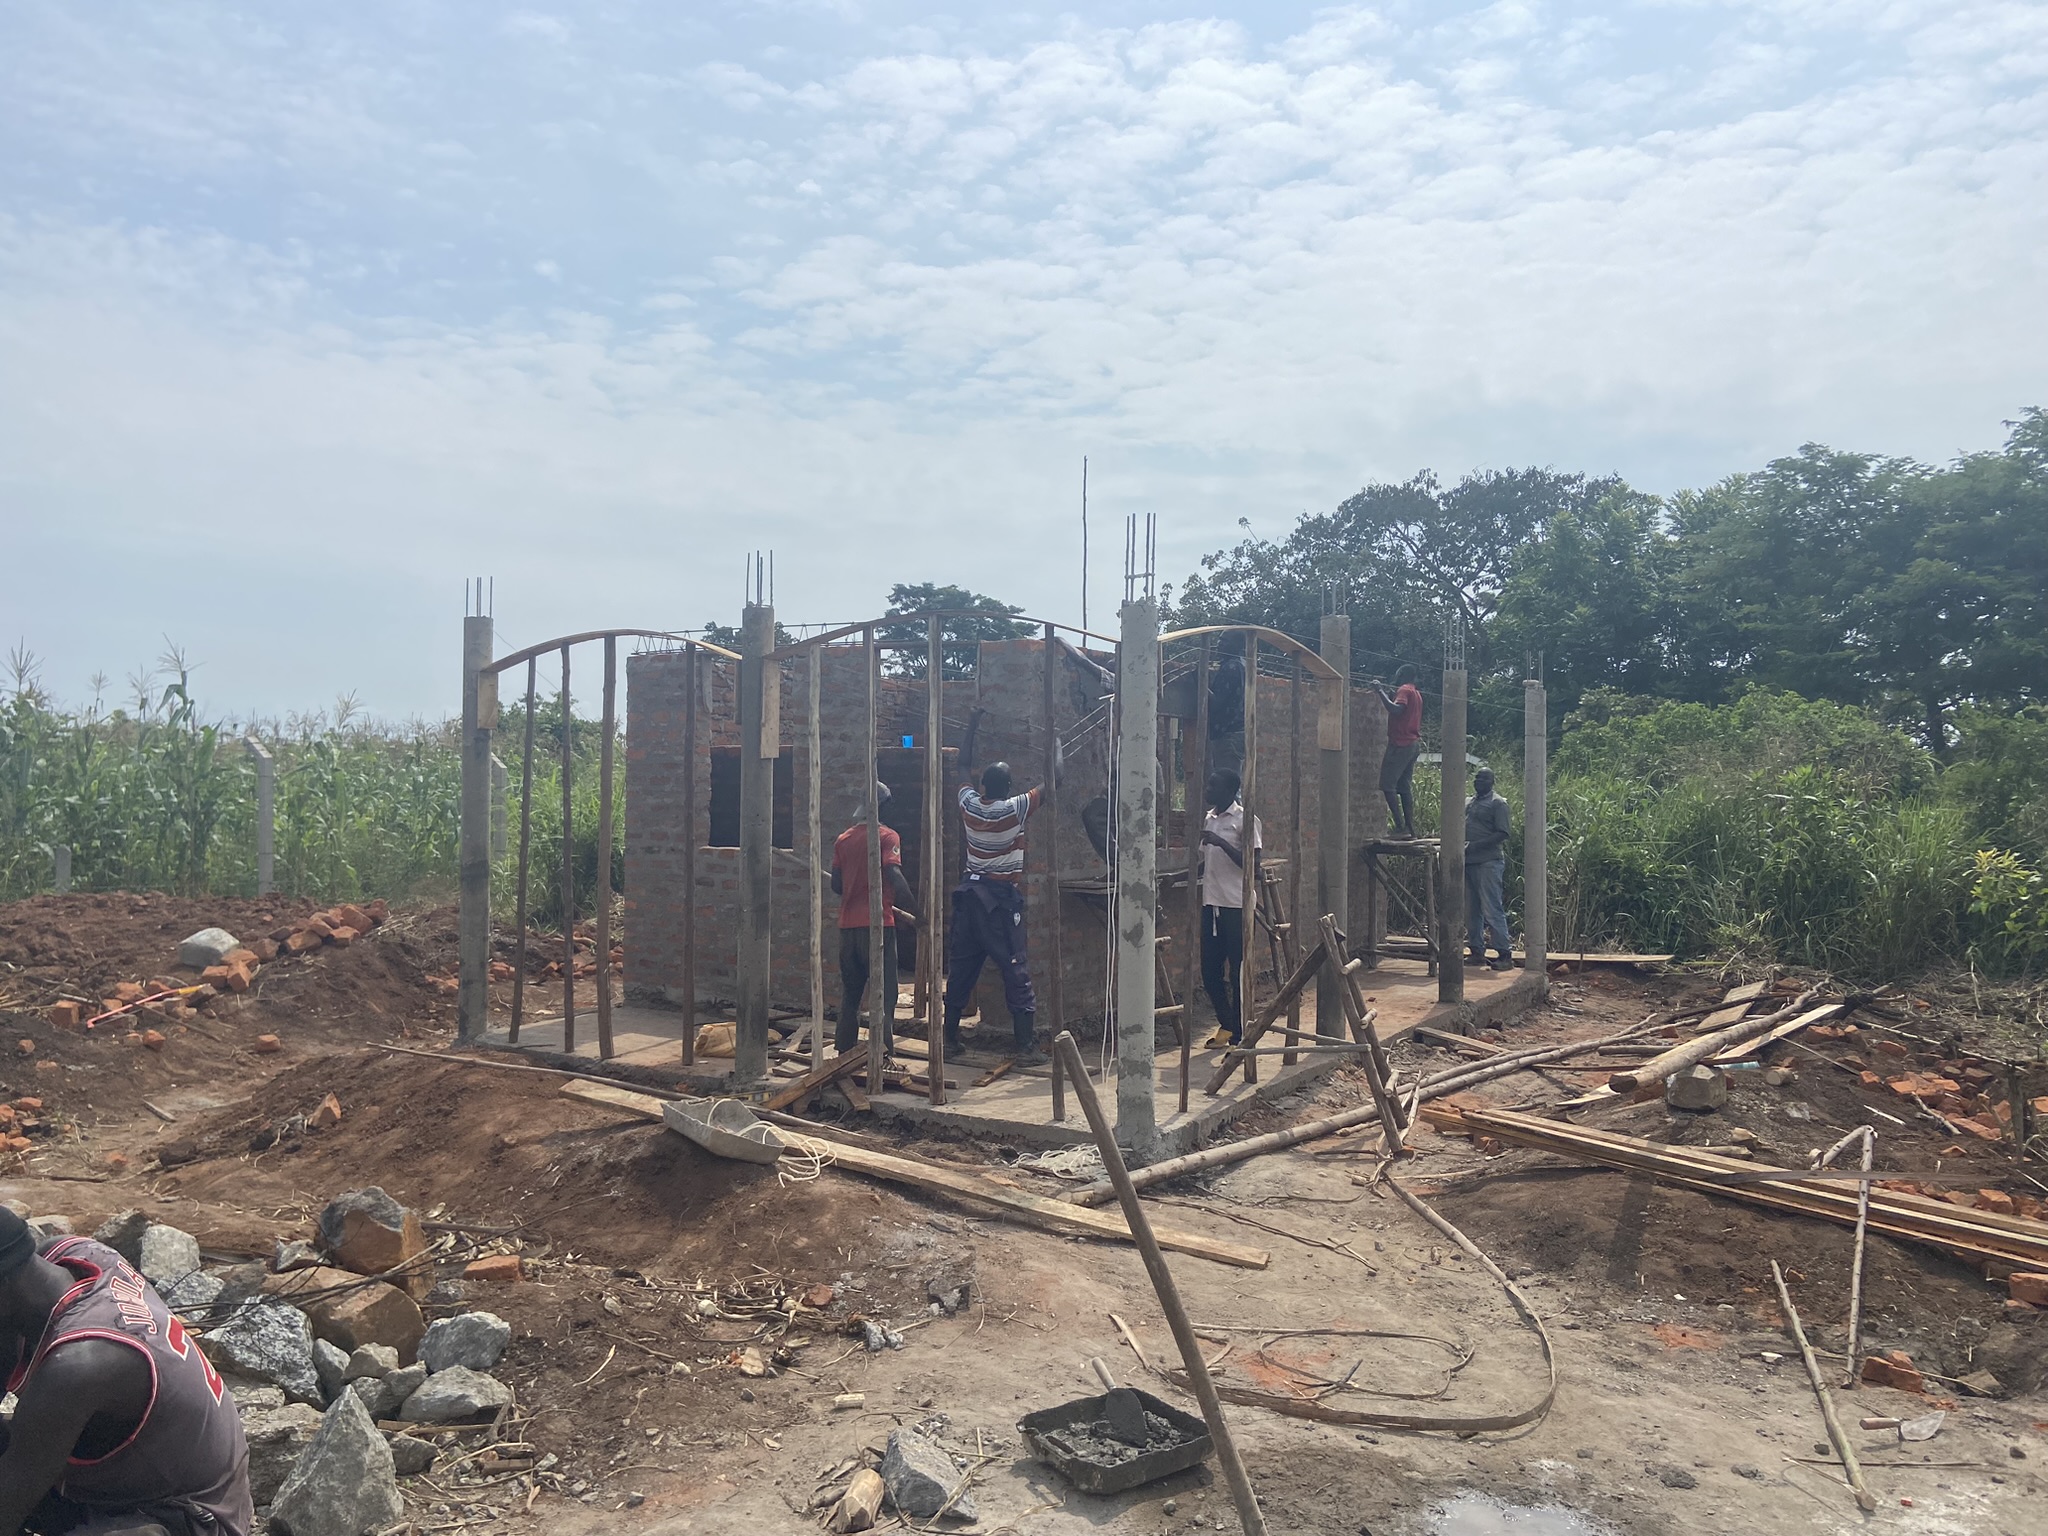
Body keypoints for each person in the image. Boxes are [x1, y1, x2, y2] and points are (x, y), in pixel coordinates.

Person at [0, 1212, 252, 1536]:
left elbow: (8, 1505)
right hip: (123, 1484)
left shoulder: (79, 1365)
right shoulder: (70, 1255)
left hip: (189, 1517)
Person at [943, 759, 1050, 1065]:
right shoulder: (1013, 809)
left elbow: (963, 766)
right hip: (998, 904)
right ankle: (1025, 1046)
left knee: (961, 969)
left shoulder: (970, 804)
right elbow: (1054, 781)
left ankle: (949, 1040)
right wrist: (1056, 747)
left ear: (983, 787)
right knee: (1016, 970)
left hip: (969, 900)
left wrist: (971, 733)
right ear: (1008, 788)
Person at [829, 782, 917, 1056]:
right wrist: (918, 913)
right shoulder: (887, 837)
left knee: (851, 994)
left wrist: (856, 884)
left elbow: (836, 885)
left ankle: (844, 1052)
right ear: (883, 806)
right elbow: (894, 876)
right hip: (877, 927)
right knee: (885, 994)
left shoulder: (843, 839)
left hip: (848, 930)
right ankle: (884, 1053)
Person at [1196, 768, 1262, 1050]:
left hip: (1236, 907)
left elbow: (1253, 867)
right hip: (1211, 905)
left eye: (1213, 785)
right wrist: (1179, 876)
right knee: (1210, 973)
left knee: (1238, 973)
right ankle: (1227, 1023)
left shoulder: (1245, 820)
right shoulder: (1209, 819)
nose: (1208, 790)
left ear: (1229, 791)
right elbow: (1208, 862)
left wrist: (1222, 842)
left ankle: (1239, 1034)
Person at [1464, 767, 1513, 971]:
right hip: (1468, 862)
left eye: (1484, 778)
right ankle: (1477, 952)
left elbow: (1503, 833)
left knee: (1492, 909)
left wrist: (1475, 846)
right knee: (1471, 910)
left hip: (1488, 862)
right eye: (1477, 778)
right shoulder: (1468, 802)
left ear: (1492, 782)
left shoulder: (1498, 803)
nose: (1479, 781)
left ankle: (1504, 955)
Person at [1376, 665, 1424, 838]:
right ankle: (1410, 829)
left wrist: (1379, 690)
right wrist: (1390, 695)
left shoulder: (1404, 690)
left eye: (1397, 674)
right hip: (1412, 744)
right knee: (1404, 787)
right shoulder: (1416, 693)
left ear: (1402, 674)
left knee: (1387, 785)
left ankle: (1400, 827)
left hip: (1400, 744)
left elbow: (1396, 709)